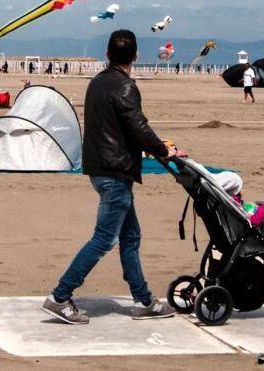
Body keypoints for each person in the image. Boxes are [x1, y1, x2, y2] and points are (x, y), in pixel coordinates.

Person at [43, 30, 177, 325]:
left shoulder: (97, 82)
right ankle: (60, 296)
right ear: (136, 55)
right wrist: (164, 150)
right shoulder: (125, 86)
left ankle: (144, 300)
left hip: (99, 168)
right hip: (114, 172)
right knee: (104, 239)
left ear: (107, 54)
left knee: (130, 236)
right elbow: (138, 127)